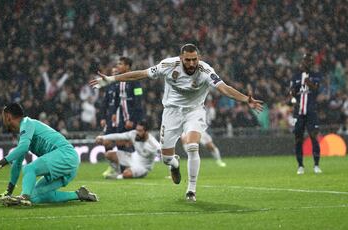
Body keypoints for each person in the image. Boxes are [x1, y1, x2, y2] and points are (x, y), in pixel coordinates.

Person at [89, 44, 263, 202]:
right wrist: (111, 79)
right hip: (171, 113)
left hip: (194, 111)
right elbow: (141, 74)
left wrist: (245, 100)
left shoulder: (205, 70)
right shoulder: (168, 65)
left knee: (193, 146)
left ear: (198, 58)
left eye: (195, 59)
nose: (192, 63)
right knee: (166, 159)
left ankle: (191, 190)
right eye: (187, 59)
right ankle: (175, 164)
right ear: (181, 58)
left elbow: (224, 88)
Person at [0, 103, 98, 206]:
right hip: (68, 165)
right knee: (34, 197)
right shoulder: (24, 133)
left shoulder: (27, 123)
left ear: (8, 116)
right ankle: (79, 194)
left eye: (3, 116)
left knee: (29, 169)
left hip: (65, 154)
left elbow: (23, 148)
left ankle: (24, 196)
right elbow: (17, 163)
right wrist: (8, 191)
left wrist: (0, 163)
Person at [289, 53, 322, 175]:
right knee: (298, 139)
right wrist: (293, 90)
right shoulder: (296, 77)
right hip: (298, 112)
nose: (306, 63)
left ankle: (316, 165)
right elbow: (292, 93)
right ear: (302, 62)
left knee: (314, 137)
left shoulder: (316, 76)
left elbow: (317, 90)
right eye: (305, 61)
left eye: (309, 61)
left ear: (311, 63)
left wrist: (308, 82)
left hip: (311, 112)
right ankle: (300, 165)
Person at [95, 120, 160, 179]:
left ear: (146, 132)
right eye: (137, 130)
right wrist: (103, 137)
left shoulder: (153, 144)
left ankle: (118, 176)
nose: (137, 132)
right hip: (132, 157)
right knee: (109, 154)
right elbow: (118, 136)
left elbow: (164, 154)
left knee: (127, 174)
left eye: (140, 131)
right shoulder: (133, 134)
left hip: (142, 167)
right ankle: (118, 172)